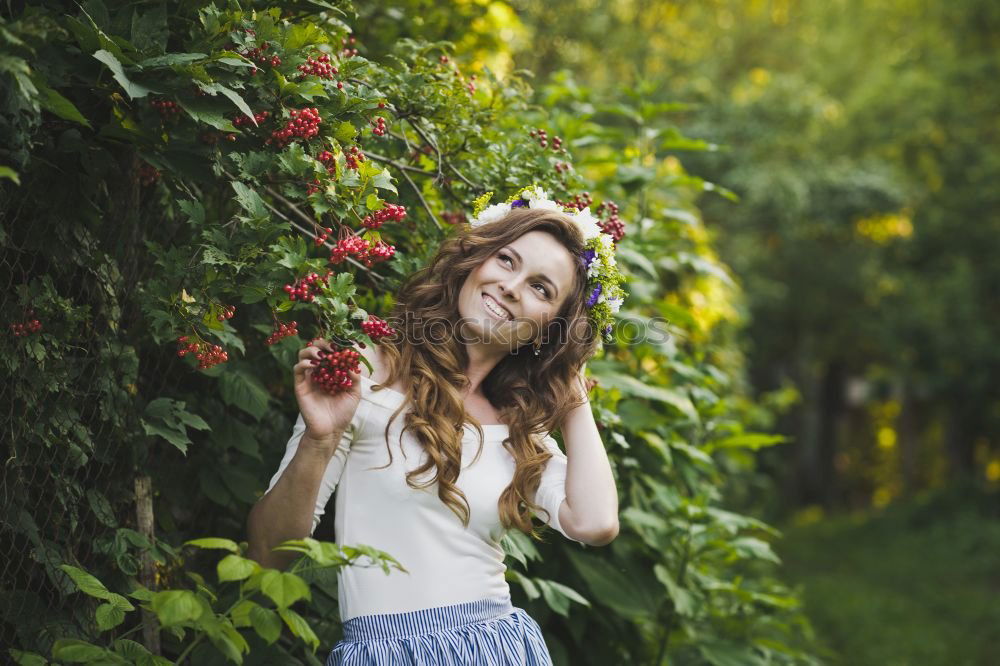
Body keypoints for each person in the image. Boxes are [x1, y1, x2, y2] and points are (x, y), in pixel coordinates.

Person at [247, 186, 623, 665]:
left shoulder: (519, 431)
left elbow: (595, 523)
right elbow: (266, 556)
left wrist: (573, 397)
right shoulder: (366, 371)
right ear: (475, 259)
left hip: (496, 649)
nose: (511, 286)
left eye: (540, 288)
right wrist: (320, 441)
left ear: (550, 329)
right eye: (507, 260)